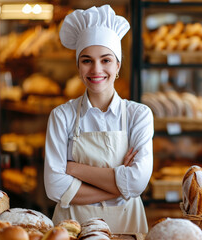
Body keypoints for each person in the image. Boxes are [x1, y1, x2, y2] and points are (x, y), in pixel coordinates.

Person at [44, 5, 153, 234]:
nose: (96, 69)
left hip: (126, 230)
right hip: (73, 229)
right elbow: (54, 187)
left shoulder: (138, 115)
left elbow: (137, 183)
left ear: (118, 65)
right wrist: (119, 187)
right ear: (78, 66)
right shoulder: (62, 116)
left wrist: (73, 168)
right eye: (87, 60)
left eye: (105, 60)